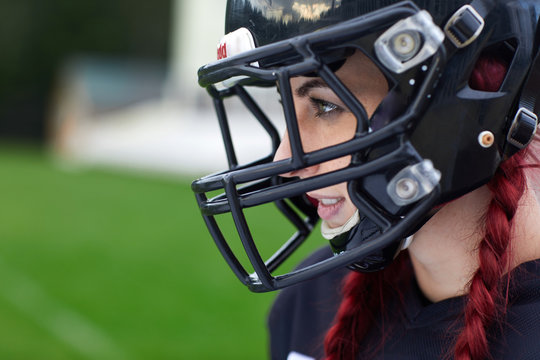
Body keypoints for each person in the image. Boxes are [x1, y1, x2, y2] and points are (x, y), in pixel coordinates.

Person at [191, 0, 540, 359]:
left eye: (326, 105)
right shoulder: (309, 303)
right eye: (285, 105)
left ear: (464, 104)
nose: (284, 163)